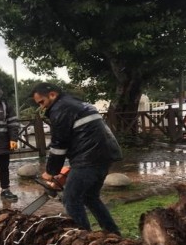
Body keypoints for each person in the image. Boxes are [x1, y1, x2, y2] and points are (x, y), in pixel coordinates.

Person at [30, 82, 122, 235]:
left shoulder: (60, 109)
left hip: (88, 158)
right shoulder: (77, 103)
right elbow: (80, 137)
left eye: (42, 102)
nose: (42, 107)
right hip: (104, 155)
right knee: (89, 196)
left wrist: (51, 171)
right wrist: (63, 172)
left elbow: (59, 144)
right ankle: (112, 232)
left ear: (52, 95)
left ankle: (83, 238)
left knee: (70, 199)